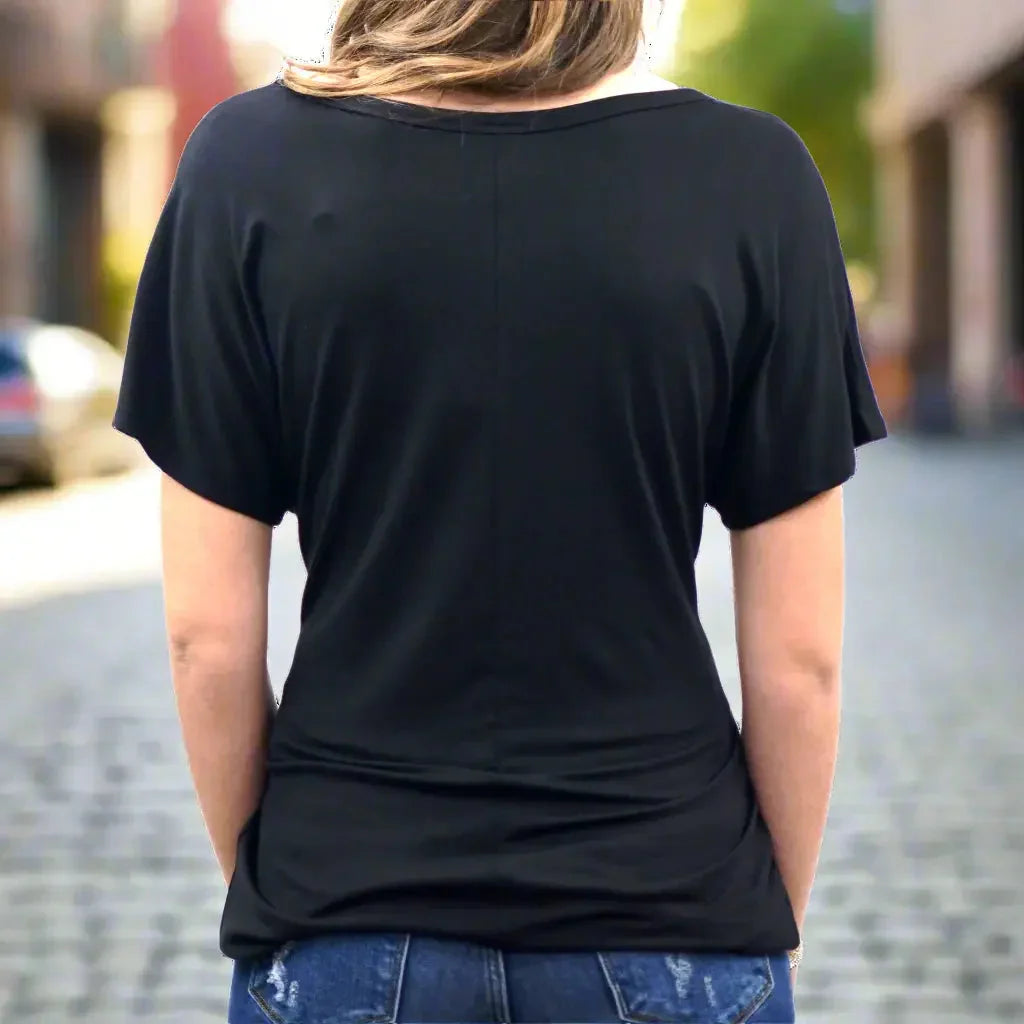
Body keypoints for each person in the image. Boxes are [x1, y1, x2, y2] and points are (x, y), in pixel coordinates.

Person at [114, 1, 887, 1021]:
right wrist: (746, 927)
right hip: (666, 895)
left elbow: (203, 638)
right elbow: (801, 662)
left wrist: (300, 897)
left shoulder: (245, 163)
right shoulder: (753, 177)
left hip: (344, 898)